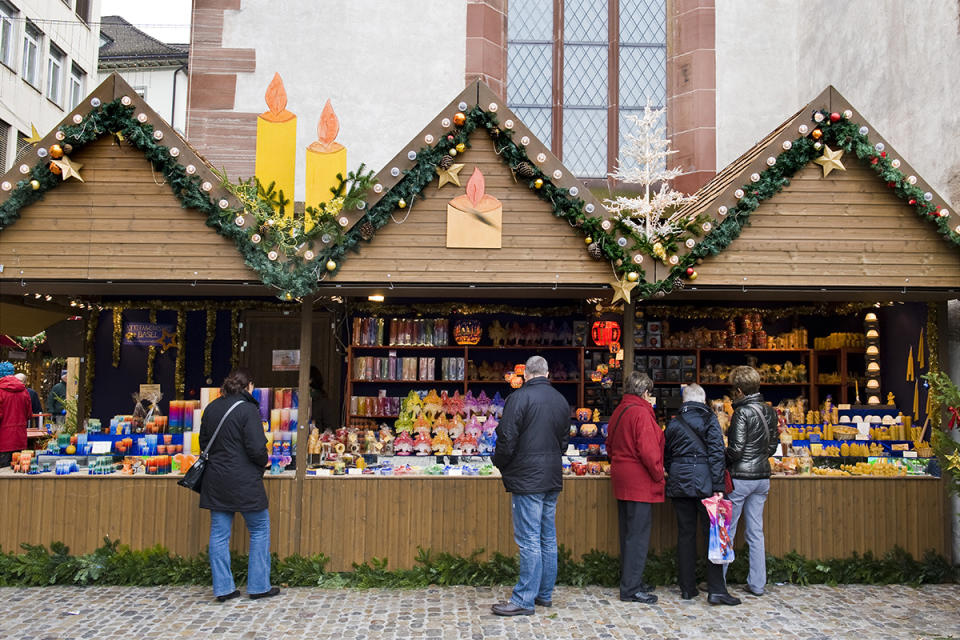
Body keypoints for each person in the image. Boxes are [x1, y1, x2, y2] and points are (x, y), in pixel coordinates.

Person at [491, 355, 570, 616]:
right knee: (547, 537)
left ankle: (524, 599)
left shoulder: (519, 398)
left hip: (527, 478)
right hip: (551, 476)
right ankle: (544, 594)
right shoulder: (561, 400)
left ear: (525, 375)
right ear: (547, 374)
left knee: (528, 540)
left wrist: (500, 463)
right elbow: (563, 443)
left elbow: (506, 437)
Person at [198, 368, 279, 602]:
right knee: (260, 528)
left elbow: (204, 443)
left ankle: (223, 589)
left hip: (216, 479)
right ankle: (259, 586)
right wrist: (264, 461)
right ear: (249, 386)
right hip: (244, 481)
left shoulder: (211, 408)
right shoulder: (248, 410)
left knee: (219, 534)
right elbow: (255, 448)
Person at [664, 383, 740, 605]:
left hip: (680, 482)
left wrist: (675, 470)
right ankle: (716, 589)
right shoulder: (710, 421)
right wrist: (718, 486)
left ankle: (687, 588)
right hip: (707, 483)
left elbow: (666, 455)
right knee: (713, 535)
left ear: (684, 401)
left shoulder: (674, 424)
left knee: (685, 535)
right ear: (703, 400)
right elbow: (717, 454)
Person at [605, 371, 663, 604]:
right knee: (638, 536)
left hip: (622, 477)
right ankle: (631, 588)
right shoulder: (641, 413)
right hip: (639, 480)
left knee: (628, 533)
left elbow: (609, 445)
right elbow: (649, 452)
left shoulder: (620, 410)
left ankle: (631, 580)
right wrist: (659, 474)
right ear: (645, 392)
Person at [724, 366, 779, 597]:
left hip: (740, 479)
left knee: (727, 530)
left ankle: (719, 580)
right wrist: (758, 458)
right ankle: (757, 584)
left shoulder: (741, 413)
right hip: (762, 478)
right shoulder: (770, 412)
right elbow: (773, 446)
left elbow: (735, 450)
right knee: (756, 531)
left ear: (738, 390)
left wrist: (721, 458)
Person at [0, 361, 32, 467]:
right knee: (18, 473)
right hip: (20, 439)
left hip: (3, 440)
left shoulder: (1, 391)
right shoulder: (24, 391)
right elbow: (28, 415)